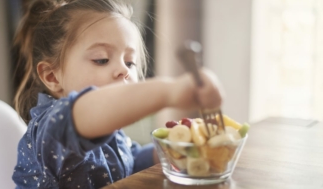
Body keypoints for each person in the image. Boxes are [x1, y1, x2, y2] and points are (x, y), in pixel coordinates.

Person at [12, 0, 224, 188]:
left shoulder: (110, 131)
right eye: (102, 59)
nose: (124, 70)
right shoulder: (50, 129)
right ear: (52, 76)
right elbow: (90, 110)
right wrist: (170, 91)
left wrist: (171, 149)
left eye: (130, 62)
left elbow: (130, 161)